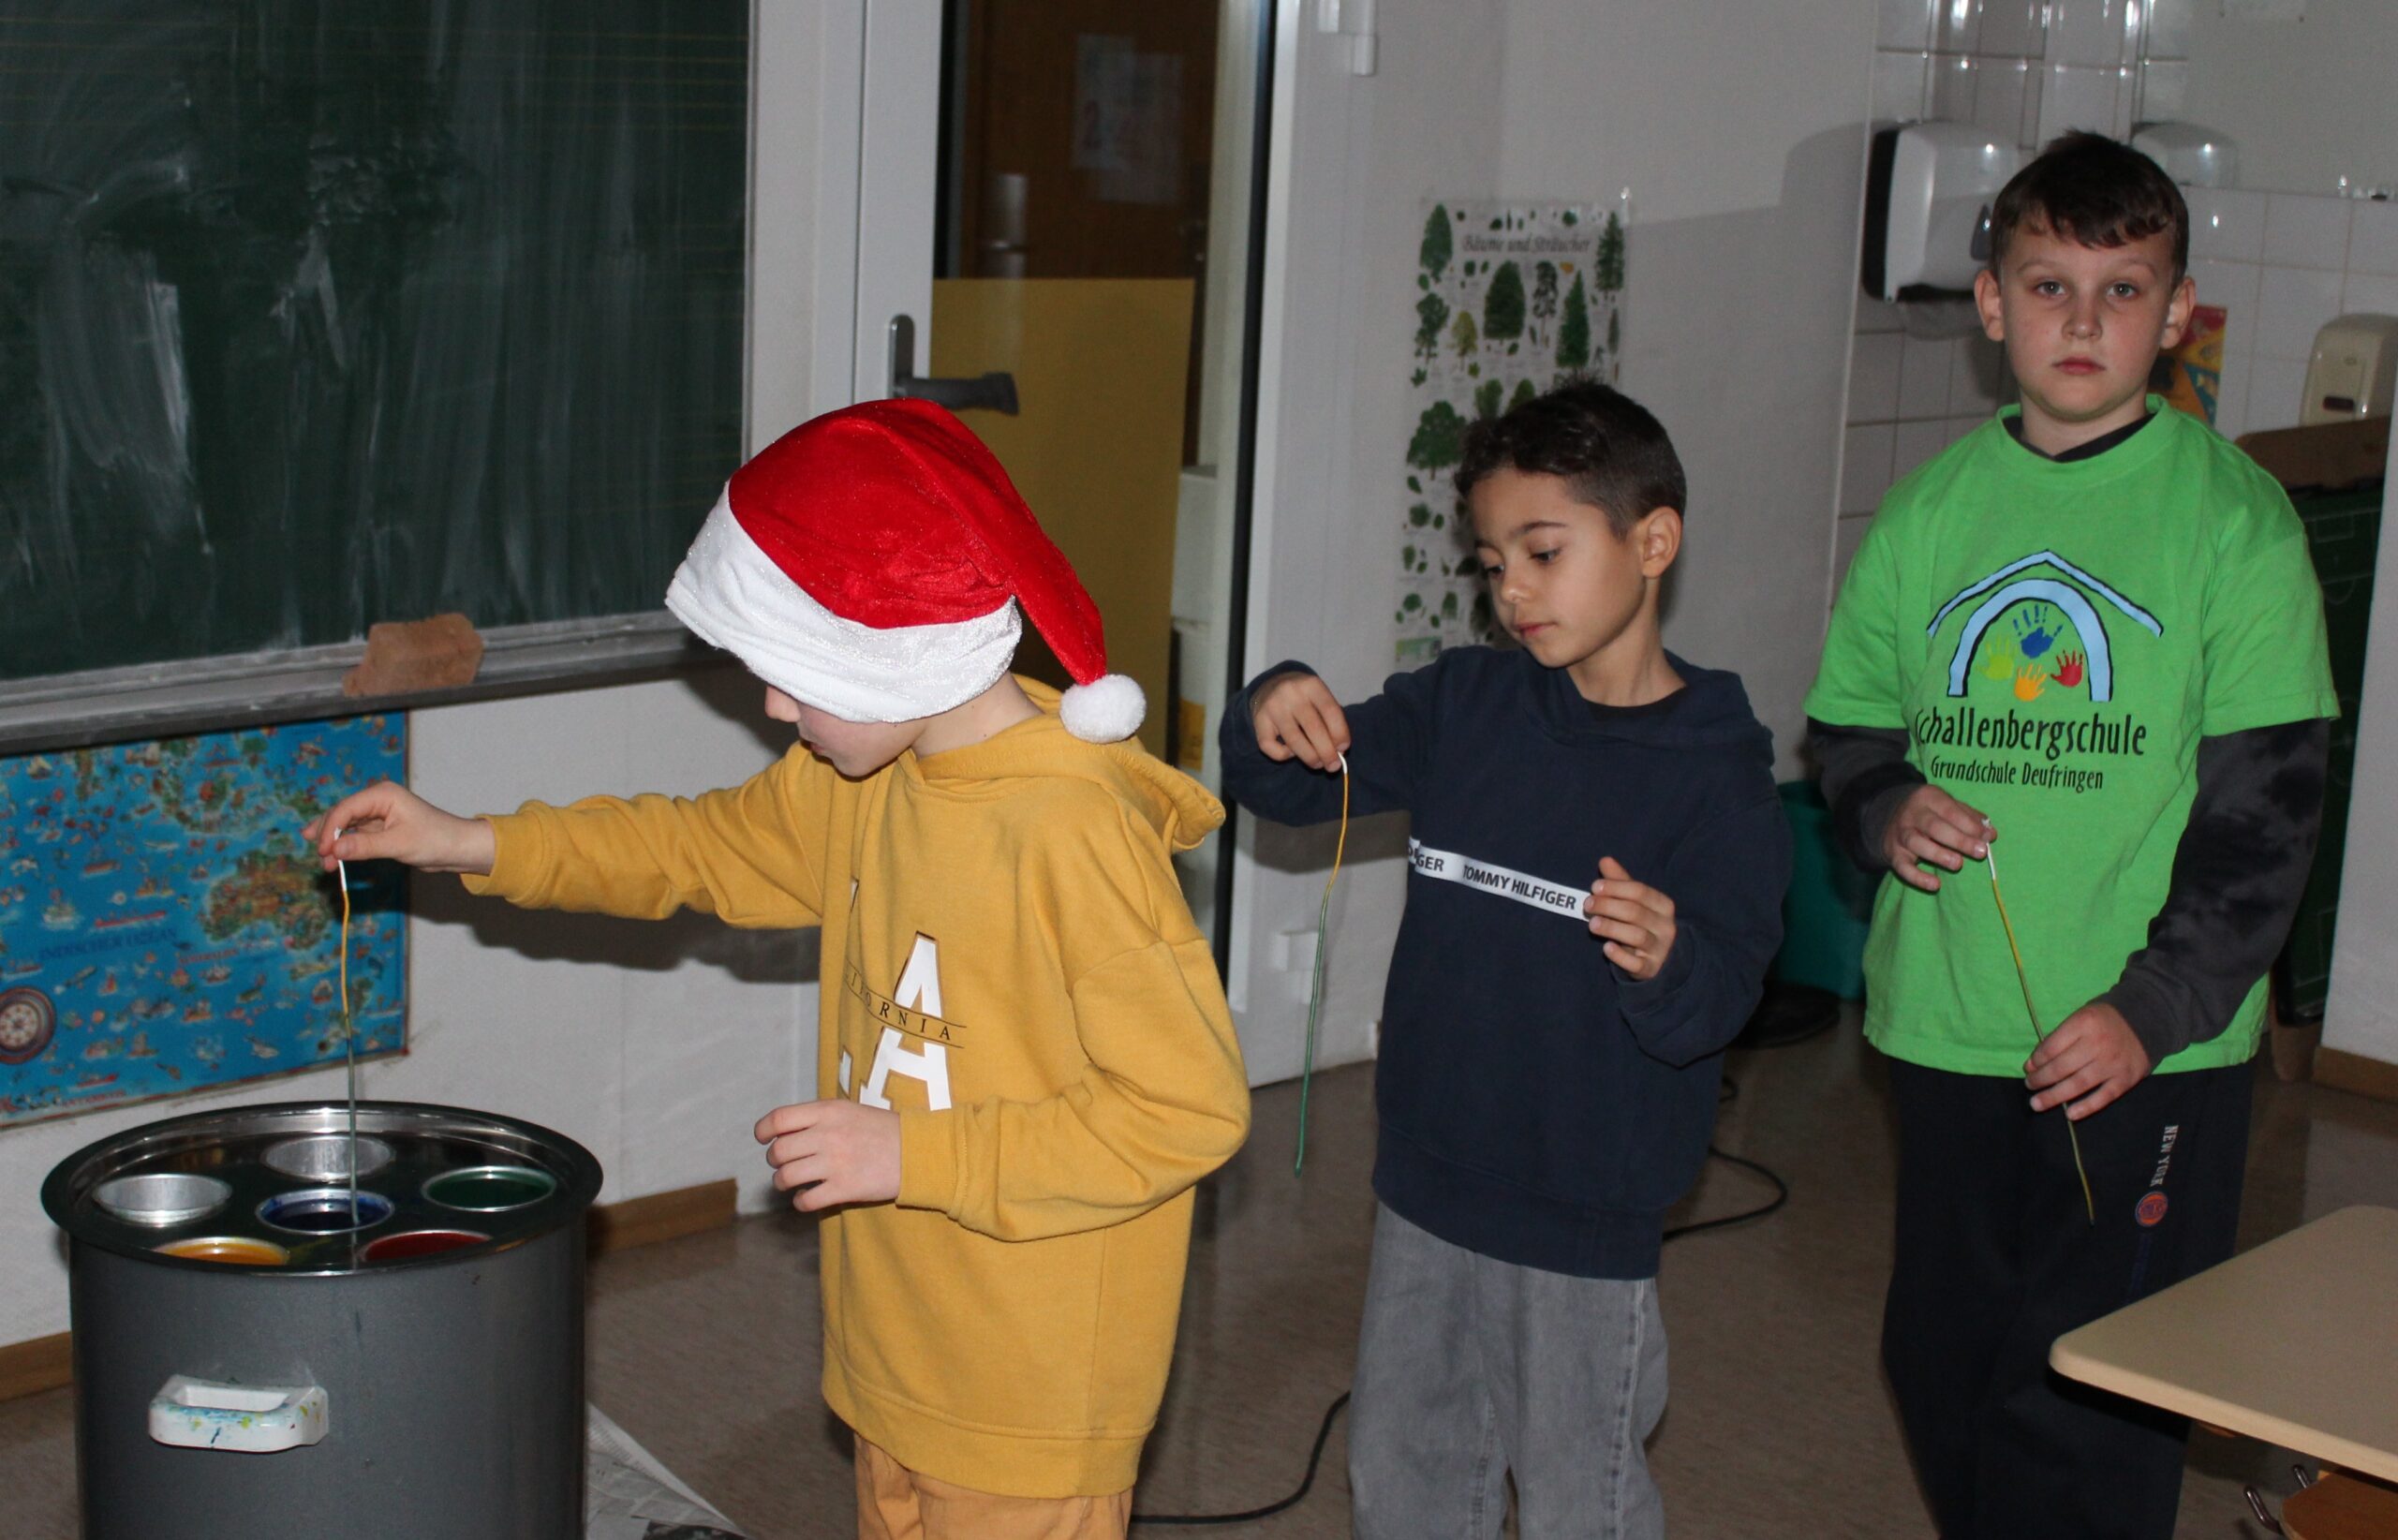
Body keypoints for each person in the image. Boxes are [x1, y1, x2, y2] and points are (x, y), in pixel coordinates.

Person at [307, 398, 1251, 1540]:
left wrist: (913, 1152)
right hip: (902, 1346)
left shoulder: (1069, 832)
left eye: (792, 676)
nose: (772, 705)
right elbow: (693, 846)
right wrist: (469, 840)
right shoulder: (866, 777)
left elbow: (1184, 1109)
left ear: (883, 647)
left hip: (1029, 1389)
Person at [1805, 131, 2336, 1540]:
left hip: (2145, 1051)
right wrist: (1884, 804)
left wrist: (2148, 1010)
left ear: (2176, 315)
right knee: (1943, 1354)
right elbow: (1849, 727)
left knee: (2092, 1386)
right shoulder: (1927, 515)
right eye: (2049, 285)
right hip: (1949, 1023)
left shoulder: (2238, 524)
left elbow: (2268, 817)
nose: (2083, 321)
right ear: (1992, 304)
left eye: (2122, 289)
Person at [1219, 380, 1789, 1539]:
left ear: (1652, 539)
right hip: (1427, 1180)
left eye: (1542, 550)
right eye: (1493, 563)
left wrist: (1669, 959)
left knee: (1582, 1491)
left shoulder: (1718, 779)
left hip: (1584, 1213)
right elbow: (1282, 784)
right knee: (1406, 1468)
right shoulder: (1464, 706)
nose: (1512, 590)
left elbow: (1713, 1009)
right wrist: (1272, 702)